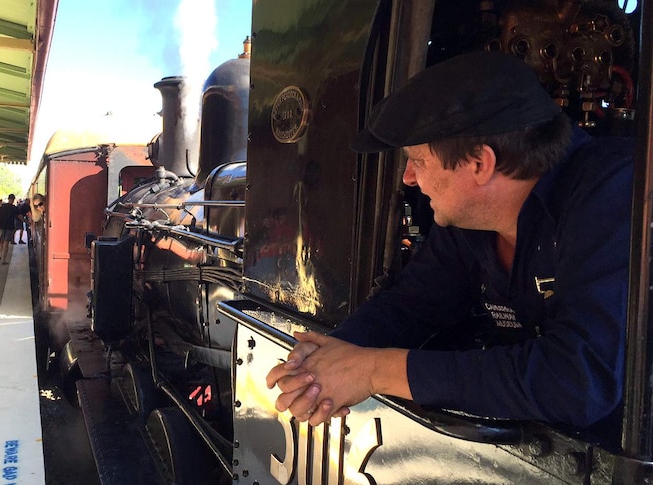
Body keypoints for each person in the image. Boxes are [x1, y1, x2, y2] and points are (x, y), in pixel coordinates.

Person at [265, 51, 633, 450]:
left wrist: (374, 370)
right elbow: (412, 303)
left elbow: (578, 381)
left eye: (418, 160)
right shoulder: (471, 221)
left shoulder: (611, 193)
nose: (408, 178)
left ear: (480, 164)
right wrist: (321, 366)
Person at [0, 194, 19, 264]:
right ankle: (4, 259)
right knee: (6, 243)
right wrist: (26, 221)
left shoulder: (2, 207)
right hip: (10, 227)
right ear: (13, 200)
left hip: (2, 227)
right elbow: (20, 216)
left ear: (8, 199)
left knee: (1, 242)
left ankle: (0, 255)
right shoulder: (14, 208)